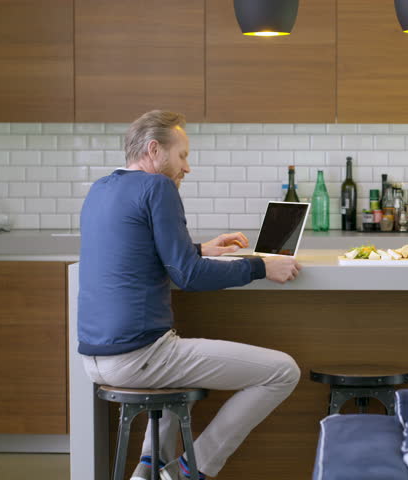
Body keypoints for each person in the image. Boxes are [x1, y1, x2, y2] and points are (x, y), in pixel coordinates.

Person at [77, 110, 302, 480]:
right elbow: (191, 277)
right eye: (182, 155)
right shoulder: (157, 187)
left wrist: (196, 248)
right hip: (140, 356)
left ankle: (147, 470)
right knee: (282, 372)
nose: (187, 167)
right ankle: (188, 471)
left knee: (178, 365)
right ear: (154, 150)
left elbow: (135, 248)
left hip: (95, 359)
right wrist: (263, 267)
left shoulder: (102, 188)